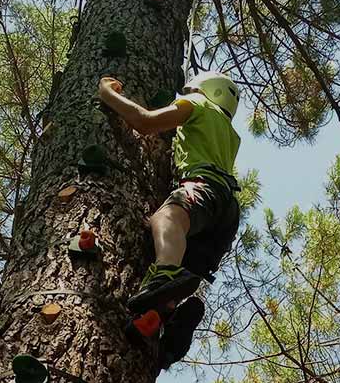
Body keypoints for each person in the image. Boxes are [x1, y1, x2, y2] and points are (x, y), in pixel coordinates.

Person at [97, 70, 242, 367]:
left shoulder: (197, 105)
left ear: (203, 90)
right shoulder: (229, 132)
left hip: (203, 187)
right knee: (179, 258)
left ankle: (165, 275)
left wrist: (108, 95)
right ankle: (167, 319)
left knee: (166, 219)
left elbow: (145, 122)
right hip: (225, 213)